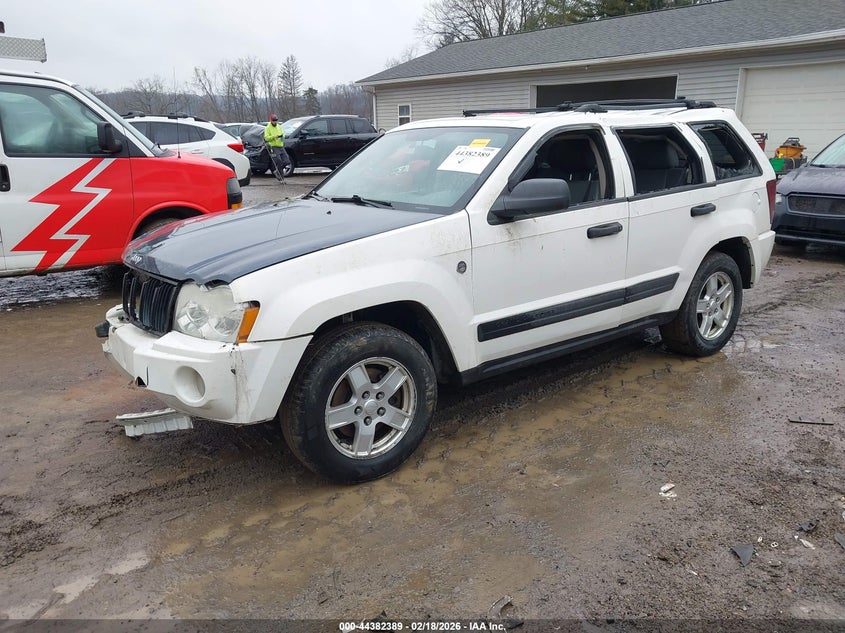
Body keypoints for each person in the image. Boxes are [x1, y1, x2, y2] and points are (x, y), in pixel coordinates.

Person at [264, 114, 291, 179]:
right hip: (274, 146)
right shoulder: (267, 128)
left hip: (281, 146)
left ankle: (277, 171)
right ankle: (281, 177)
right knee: (279, 161)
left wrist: (282, 137)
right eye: (274, 120)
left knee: (287, 161)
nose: (275, 122)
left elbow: (283, 134)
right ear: (271, 120)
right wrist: (273, 137)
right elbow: (266, 138)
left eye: (276, 120)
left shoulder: (279, 126)